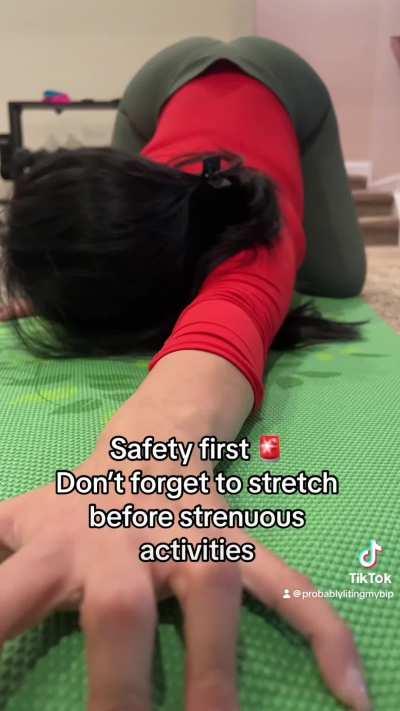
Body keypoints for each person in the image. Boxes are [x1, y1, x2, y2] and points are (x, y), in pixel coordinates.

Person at [0, 36, 371, 711]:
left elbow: (229, 314)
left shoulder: (251, 229)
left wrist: (141, 466)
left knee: (338, 277)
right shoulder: (150, 204)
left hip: (286, 85)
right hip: (157, 93)